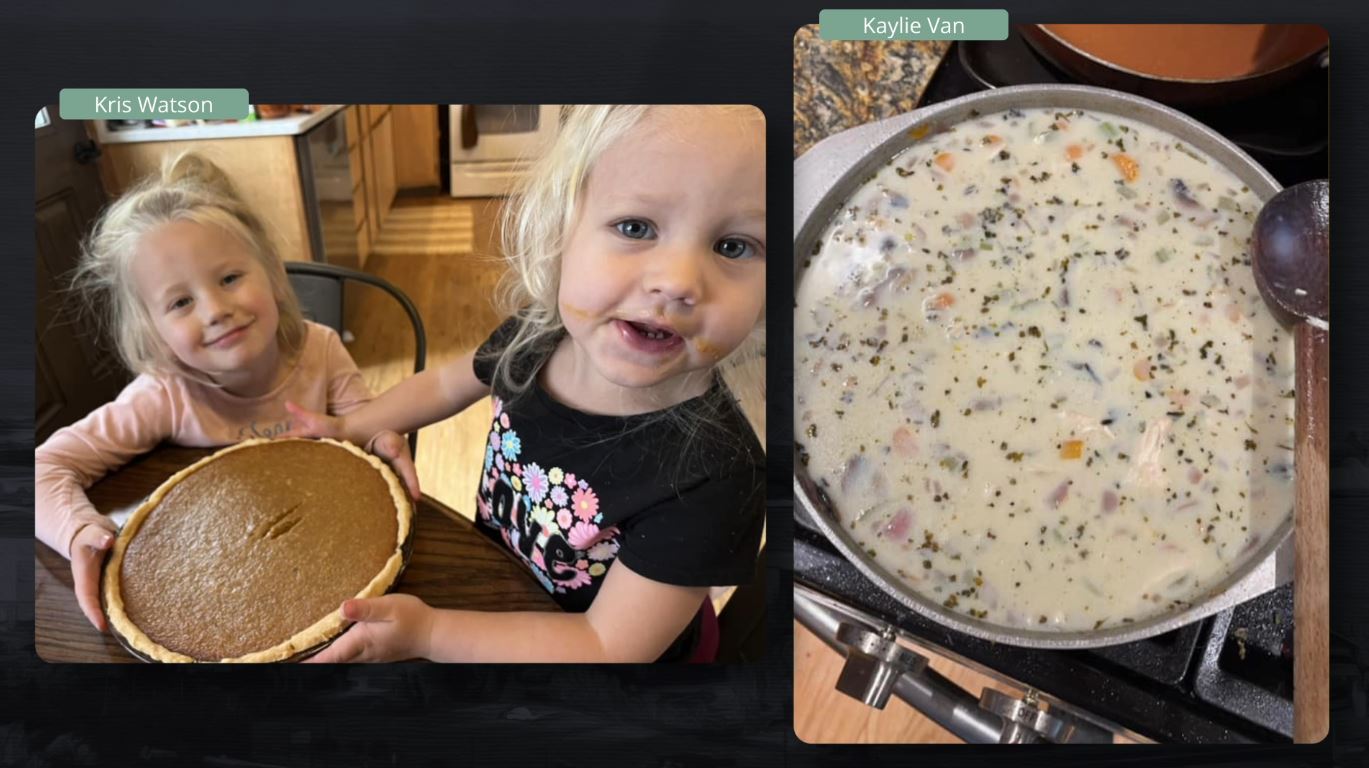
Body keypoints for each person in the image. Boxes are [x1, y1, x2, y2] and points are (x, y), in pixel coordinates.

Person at [287, 104, 767, 663]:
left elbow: (607, 645)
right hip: (501, 589)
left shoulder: (718, 474)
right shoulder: (537, 337)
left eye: (734, 245)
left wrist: (429, 634)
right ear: (561, 229)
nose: (678, 282)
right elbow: (446, 382)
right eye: (636, 227)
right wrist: (351, 426)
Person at [34, 152, 417, 633]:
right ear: (151, 332)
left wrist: (380, 435)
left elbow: (366, 432)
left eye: (230, 278)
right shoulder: (164, 395)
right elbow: (40, 468)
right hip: (215, 583)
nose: (215, 309)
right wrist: (78, 531)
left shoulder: (321, 351)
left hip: (325, 559)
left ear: (274, 276)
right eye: (180, 301)